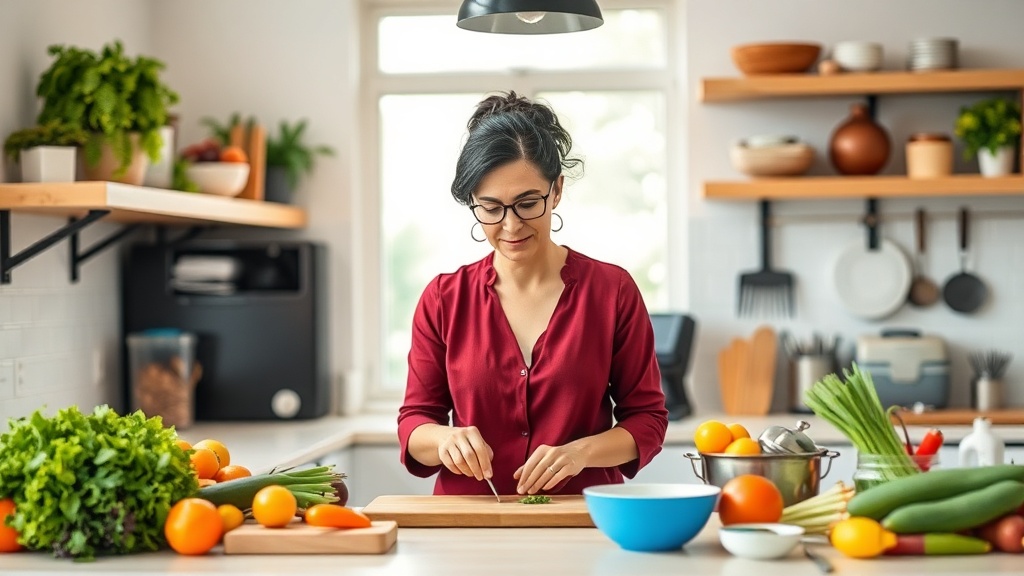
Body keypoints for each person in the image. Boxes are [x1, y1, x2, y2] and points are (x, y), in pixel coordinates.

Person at [397, 91, 668, 497]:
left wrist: (582, 452)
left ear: (556, 190)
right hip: (467, 523)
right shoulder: (443, 299)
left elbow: (647, 418)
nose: (510, 226)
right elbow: (415, 419)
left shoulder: (613, 292)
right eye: (490, 208)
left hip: (582, 518)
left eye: (527, 203)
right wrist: (443, 440)